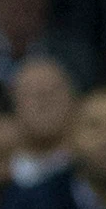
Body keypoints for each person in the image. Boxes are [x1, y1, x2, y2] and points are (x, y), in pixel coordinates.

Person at [11, 57, 78, 189]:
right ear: (14, 103)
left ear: (74, 100)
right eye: (32, 93)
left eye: (53, 91)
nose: (44, 101)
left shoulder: (89, 169)